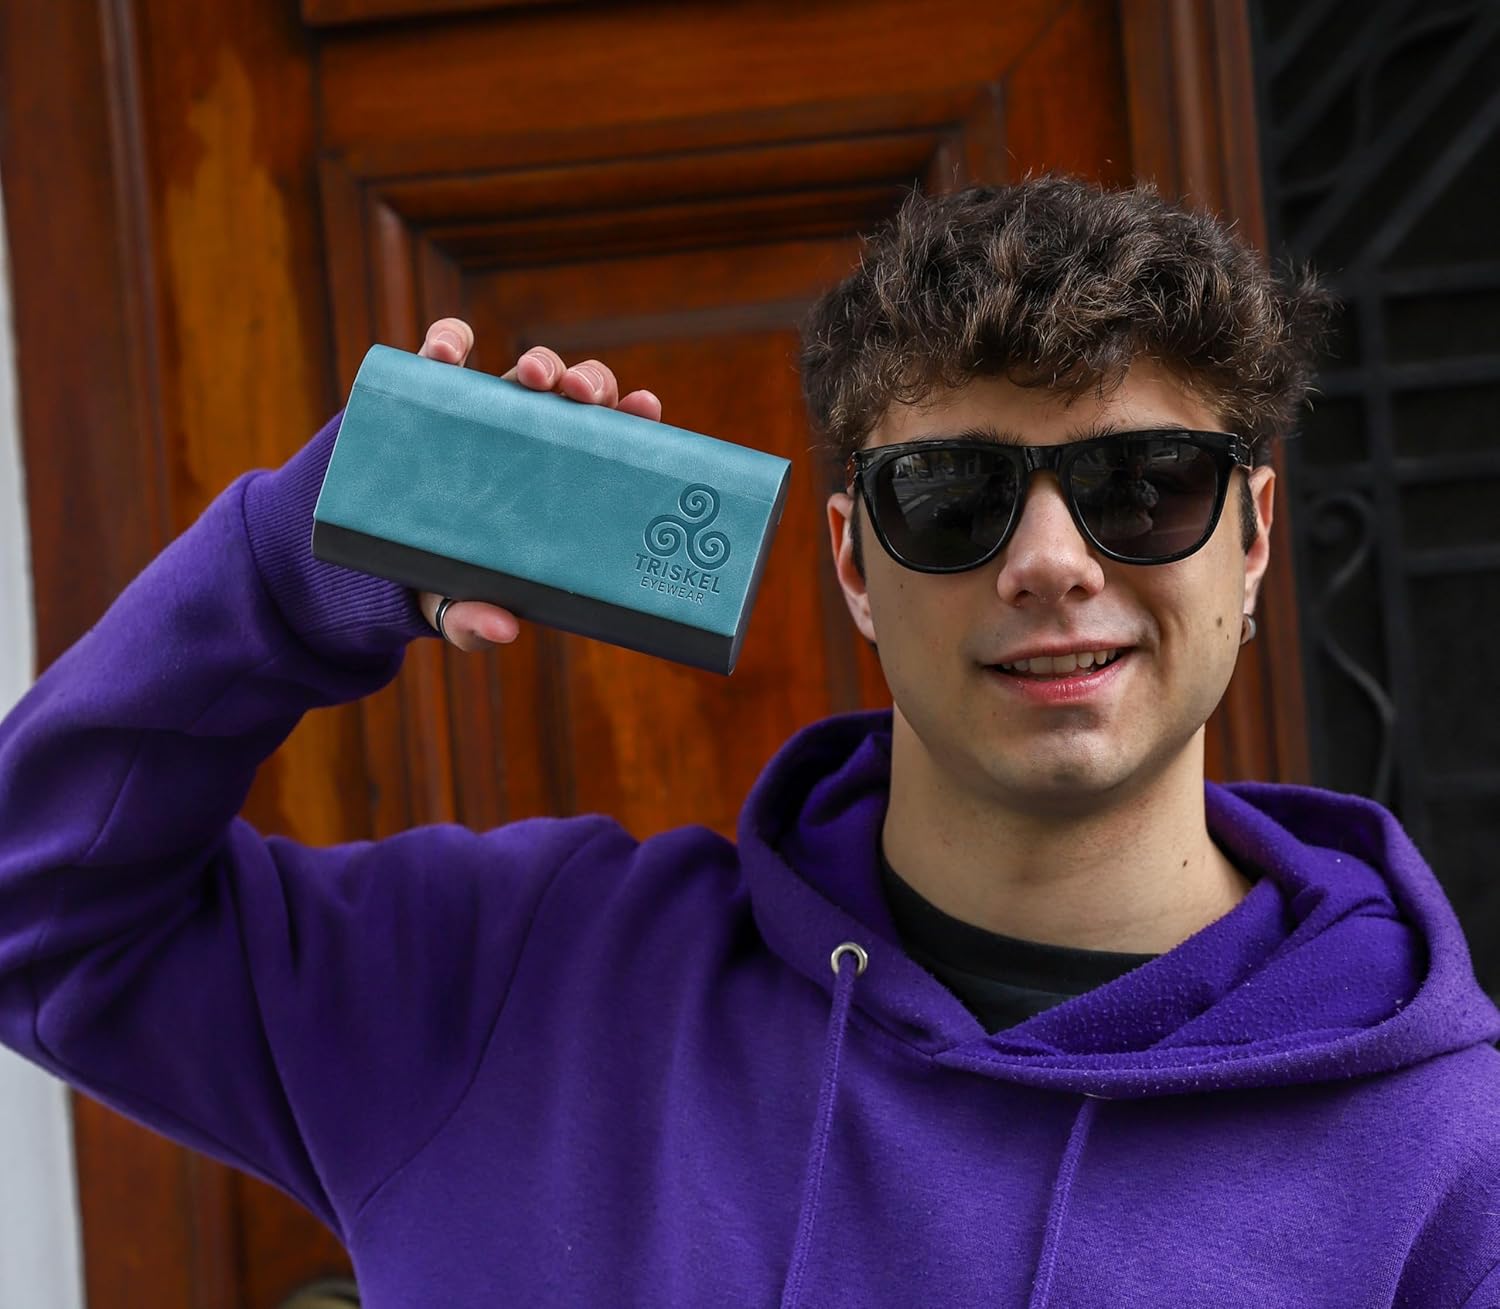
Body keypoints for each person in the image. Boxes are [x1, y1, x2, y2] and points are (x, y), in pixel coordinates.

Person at [0, 177, 1496, 1307]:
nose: (1051, 562)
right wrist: (308, 554)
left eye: (1145, 485)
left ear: (1254, 537)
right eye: (954, 498)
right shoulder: (522, 980)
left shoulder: (1443, 1160)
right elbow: (35, 914)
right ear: (854, 562)